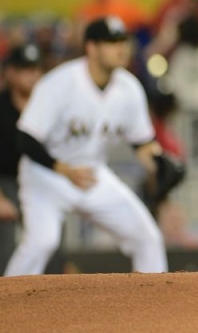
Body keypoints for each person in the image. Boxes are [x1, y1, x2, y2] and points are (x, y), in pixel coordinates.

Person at [4, 17, 168, 276]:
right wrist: (64, 170)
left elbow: (142, 143)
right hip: (46, 177)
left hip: (92, 174)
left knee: (148, 238)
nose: (121, 48)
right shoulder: (59, 83)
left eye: (123, 41)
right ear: (91, 48)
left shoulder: (129, 88)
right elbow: (26, 139)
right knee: (42, 243)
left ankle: (156, 307)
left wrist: (160, 162)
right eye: (112, 42)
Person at [0, 45, 44, 273]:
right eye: (25, 69)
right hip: (6, 182)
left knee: (49, 240)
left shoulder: (47, 106)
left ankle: (54, 303)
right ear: (10, 73)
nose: (32, 75)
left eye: (36, 69)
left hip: (39, 182)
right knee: (4, 245)